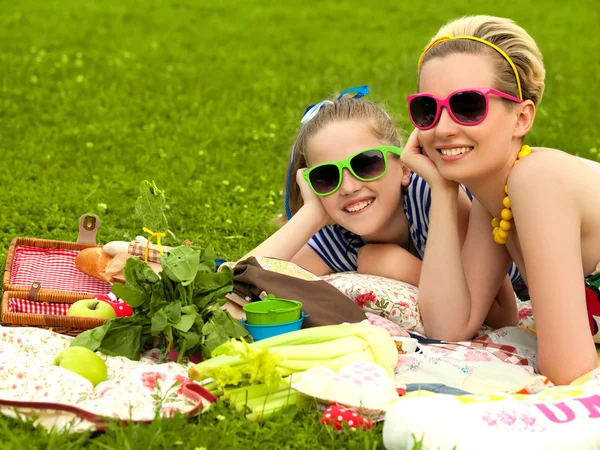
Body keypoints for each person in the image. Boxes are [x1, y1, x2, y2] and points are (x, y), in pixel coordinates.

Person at [401, 15, 600, 384]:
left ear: (521, 118)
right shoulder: (494, 201)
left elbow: (569, 370)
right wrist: (443, 190)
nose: (443, 128)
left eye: (469, 106)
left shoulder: (538, 181)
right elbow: (450, 325)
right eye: (428, 109)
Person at [245, 86, 519, 328]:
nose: (349, 187)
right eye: (327, 176)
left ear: (403, 168)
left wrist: (401, 267)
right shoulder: (338, 233)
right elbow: (241, 282)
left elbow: (503, 314)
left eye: (366, 163)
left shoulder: (434, 196)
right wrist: (312, 213)